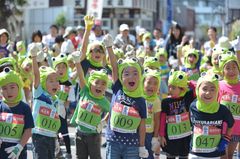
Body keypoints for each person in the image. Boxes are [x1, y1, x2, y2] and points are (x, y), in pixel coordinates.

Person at [104, 33, 149, 159]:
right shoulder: (118, 88)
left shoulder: (141, 100)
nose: (131, 77)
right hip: (113, 141)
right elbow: (114, 67)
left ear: (140, 77)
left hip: (132, 145)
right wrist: (109, 47)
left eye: (135, 73)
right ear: (121, 77)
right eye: (126, 74)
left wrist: (141, 146)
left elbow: (142, 126)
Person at [70, 51, 110, 159]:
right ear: (90, 83)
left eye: (103, 84)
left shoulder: (104, 101)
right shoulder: (85, 91)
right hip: (79, 133)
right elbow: (82, 76)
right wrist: (77, 62)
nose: (99, 86)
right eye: (96, 82)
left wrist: (104, 122)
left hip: (94, 135)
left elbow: (113, 110)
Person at [189, 71, 234, 159]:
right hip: (195, 153)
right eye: (204, 89)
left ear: (217, 91)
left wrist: (226, 139)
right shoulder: (193, 106)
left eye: (212, 89)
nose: (208, 93)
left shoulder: (222, 109)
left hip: (214, 153)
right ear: (198, 90)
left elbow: (231, 124)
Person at [30, 43, 61, 159]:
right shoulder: (39, 93)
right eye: (51, 81)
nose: (55, 83)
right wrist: (33, 57)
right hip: (39, 136)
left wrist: (56, 138)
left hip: (51, 136)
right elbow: (36, 75)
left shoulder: (56, 99)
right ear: (43, 83)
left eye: (57, 80)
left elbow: (54, 118)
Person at [159, 70, 196, 159]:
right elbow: (163, 119)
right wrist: (162, 135)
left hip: (185, 136)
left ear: (182, 88)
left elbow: (197, 87)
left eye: (174, 87)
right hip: (171, 137)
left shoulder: (187, 96)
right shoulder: (165, 101)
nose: (170, 90)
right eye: (169, 87)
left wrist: (187, 82)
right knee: (170, 156)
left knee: (184, 156)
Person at [0, 67, 34, 159]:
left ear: (19, 87)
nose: (9, 91)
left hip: (18, 152)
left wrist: (19, 147)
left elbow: (28, 130)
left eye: (12, 87)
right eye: (4, 88)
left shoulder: (25, 108)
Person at [218, 52, 240, 159]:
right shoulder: (219, 85)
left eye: (234, 67)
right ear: (223, 71)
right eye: (227, 68)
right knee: (223, 157)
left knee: (230, 156)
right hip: (222, 129)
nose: (231, 71)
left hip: (237, 129)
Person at [52, 53, 73, 158]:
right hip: (51, 109)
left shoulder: (69, 82)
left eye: (63, 67)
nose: (61, 69)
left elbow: (68, 100)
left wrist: (66, 108)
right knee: (53, 131)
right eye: (58, 67)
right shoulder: (52, 80)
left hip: (62, 110)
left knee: (64, 131)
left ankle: (69, 152)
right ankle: (56, 151)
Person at [143, 69, 161, 159]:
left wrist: (155, 137)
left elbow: (157, 120)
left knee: (148, 155)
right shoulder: (139, 96)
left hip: (149, 133)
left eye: (155, 84)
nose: (151, 86)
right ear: (143, 82)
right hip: (136, 132)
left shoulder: (156, 100)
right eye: (149, 82)